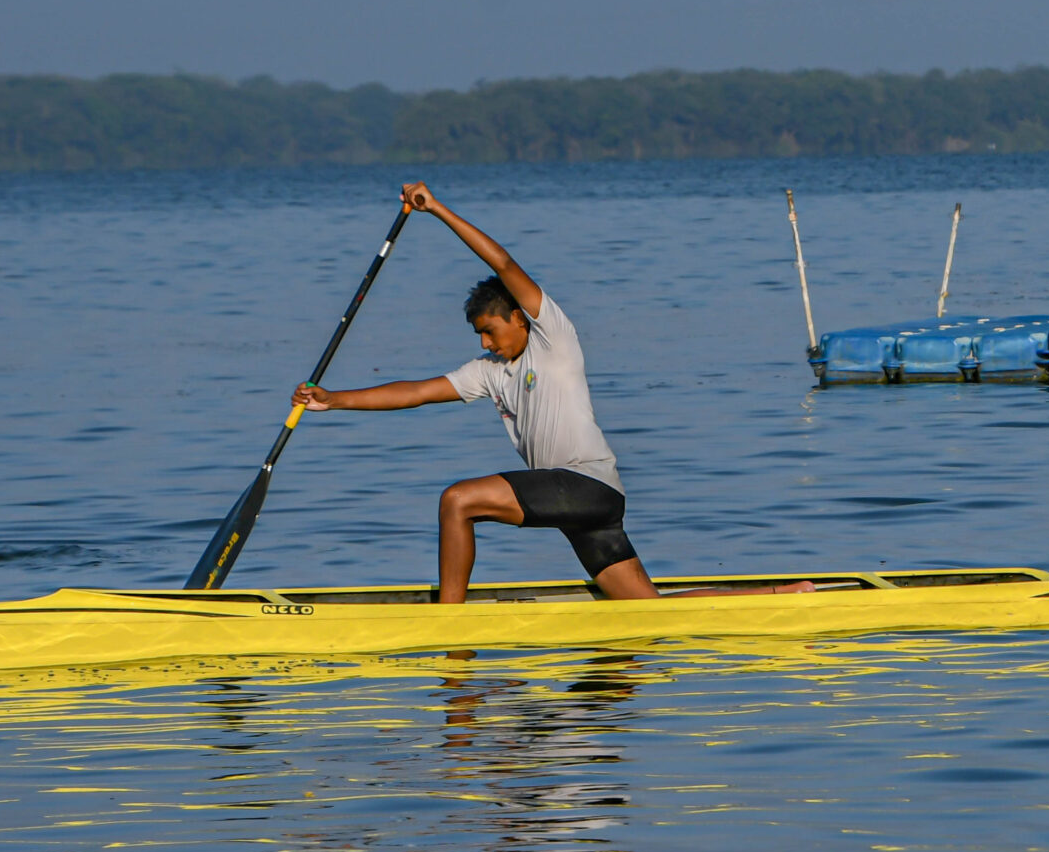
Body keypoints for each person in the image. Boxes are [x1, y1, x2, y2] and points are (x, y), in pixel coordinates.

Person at [296, 182, 812, 605]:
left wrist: (438, 211)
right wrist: (334, 399)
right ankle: (784, 594)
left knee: (458, 500)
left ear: (519, 319)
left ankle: (448, 622)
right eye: (478, 334)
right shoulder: (490, 371)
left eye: (490, 330)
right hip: (590, 499)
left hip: (584, 486)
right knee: (644, 609)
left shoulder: (553, 337)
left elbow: (504, 264)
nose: (485, 342)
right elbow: (416, 391)